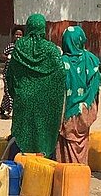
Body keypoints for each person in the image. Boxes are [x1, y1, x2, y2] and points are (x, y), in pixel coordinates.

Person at [7, 14, 66, 159]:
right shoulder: (52, 50)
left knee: (22, 131)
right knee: (43, 132)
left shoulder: (19, 47)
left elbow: (10, 74)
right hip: (46, 102)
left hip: (24, 99)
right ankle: (44, 167)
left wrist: (16, 92)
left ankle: (18, 166)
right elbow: (61, 75)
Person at [55, 26, 101, 164]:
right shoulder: (91, 60)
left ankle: (67, 174)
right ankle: (80, 169)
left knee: (64, 144)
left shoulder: (60, 62)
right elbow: (95, 88)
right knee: (82, 140)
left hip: (66, 113)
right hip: (84, 111)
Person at [0, 25, 25, 119]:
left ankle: (3, 110)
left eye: (20, 35)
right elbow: (2, 55)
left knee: (16, 93)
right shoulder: (10, 46)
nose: (18, 36)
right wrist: (8, 57)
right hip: (8, 73)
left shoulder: (24, 48)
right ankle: (5, 111)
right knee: (8, 92)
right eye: (16, 34)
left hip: (19, 74)